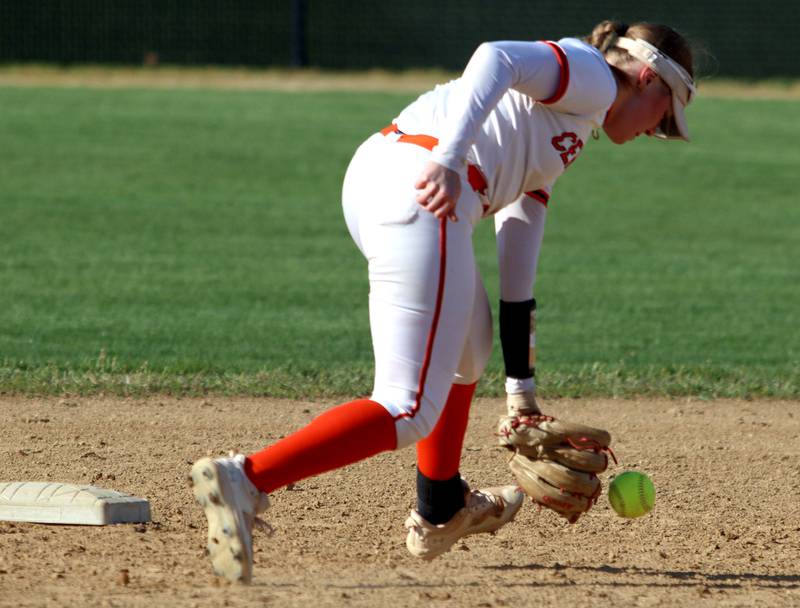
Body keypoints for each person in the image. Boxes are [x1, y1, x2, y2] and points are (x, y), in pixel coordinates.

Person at [190, 20, 696, 583]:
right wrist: (452, 158)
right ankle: (247, 477)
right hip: (428, 181)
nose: (660, 129)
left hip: (392, 177)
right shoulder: (595, 78)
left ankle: (441, 508)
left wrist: (521, 394)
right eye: (666, 113)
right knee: (406, 407)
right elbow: (495, 57)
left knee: (468, 352)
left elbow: (517, 261)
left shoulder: (565, 127)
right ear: (647, 77)